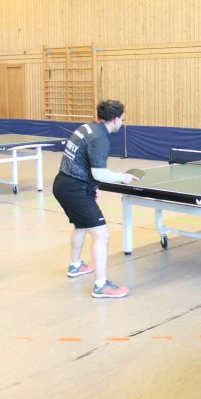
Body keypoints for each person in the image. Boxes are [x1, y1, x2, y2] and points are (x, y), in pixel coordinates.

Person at [52, 99, 138, 299]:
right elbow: (99, 173)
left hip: (63, 183)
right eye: (122, 119)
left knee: (81, 225)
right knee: (102, 235)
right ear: (115, 119)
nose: (122, 123)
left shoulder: (87, 128)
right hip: (75, 189)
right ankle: (101, 286)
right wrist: (122, 177)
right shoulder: (100, 138)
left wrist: (92, 186)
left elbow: (79, 161)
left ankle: (75, 266)